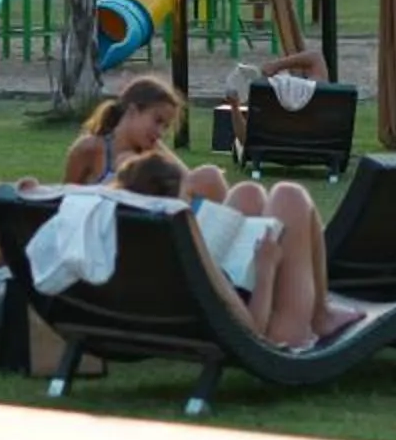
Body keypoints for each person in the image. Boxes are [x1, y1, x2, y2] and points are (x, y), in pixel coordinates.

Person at [114, 148, 362, 348]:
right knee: (290, 196)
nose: (192, 202)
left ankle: (321, 310)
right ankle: (321, 315)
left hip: (206, 322)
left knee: (248, 192)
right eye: (188, 196)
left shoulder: (141, 244)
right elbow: (250, 329)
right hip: (267, 333)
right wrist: (266, 270)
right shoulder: (187, 254)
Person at [62, 74, 231, 201]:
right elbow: (64, 199)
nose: (160, 132)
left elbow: (189, 181)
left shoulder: (152, 152)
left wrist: (160, 151)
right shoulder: (91, 149)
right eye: (157, 121)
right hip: (106, 232)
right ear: (132, 112)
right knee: (126, 163)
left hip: (150, 232)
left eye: (165, 126)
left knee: (210, 175)